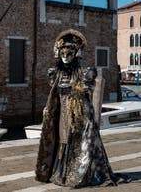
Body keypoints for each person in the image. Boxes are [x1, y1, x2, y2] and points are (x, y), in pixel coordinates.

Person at [35, 29, 129, 188]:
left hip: (77, 115)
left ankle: (77, 172)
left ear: (75, 53)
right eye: (62, 53)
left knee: (78, 142)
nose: (65, 56)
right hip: (61, 113)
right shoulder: (55, 74)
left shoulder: (85, 74)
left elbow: (85, 95)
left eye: (69, 53)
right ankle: (60, 172)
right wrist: (48, 109)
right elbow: (54, 95)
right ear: (58, 53)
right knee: (61, 140)